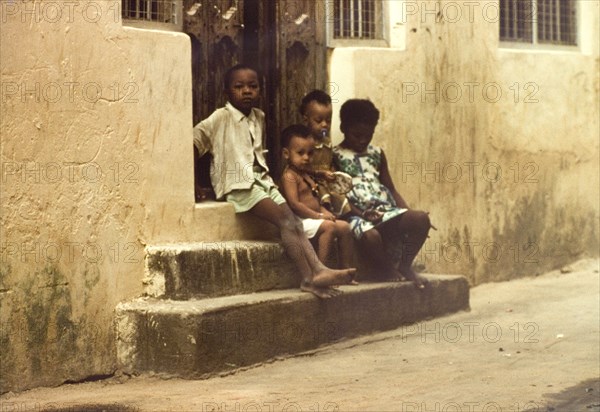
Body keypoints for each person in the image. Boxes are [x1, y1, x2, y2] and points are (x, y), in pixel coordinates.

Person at [193, 64, 355, 298]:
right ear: (227, 92)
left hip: (261, 181)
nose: (246, 91)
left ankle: (317, 272)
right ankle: (309, 277)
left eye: (253, 86)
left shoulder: (259, 117)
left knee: (295, 222)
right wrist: (196, 184)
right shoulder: (221, 117)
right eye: (239, 87)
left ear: (260, 90)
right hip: (239, 184)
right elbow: (193, 141)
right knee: (287, 222)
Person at [332, 99, 432, 289]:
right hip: (355, 214)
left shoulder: (377, 153)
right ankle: (386, 268)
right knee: (371, 236)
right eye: (357, 135)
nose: (363, 140)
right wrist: (361, 214)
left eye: (368, 135)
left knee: (420, 219)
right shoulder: (335, 155)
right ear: (343, 127)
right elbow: (338, 195)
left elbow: (391, 188)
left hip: (384, 211)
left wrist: (407, 211)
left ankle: (405, 266)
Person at [279, 124, 358, 284]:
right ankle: (320, 271)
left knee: (344, 227)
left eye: (310, 153)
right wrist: (320, 216)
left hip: (314, 219)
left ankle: (345, 269)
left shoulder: (305, 173)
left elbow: (314, 196)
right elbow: (295, 204)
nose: (307, 158)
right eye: (300, 153)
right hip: (299, 222)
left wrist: (325, 212)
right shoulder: (289, 176)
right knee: (329, 227)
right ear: (286, 154)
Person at [299, 90, 350, 217]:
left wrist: (333, 172)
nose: (324, 125)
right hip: (312, 183)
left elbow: (329, 161)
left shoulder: (327, 142)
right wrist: (320, 173)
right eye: (319, 120)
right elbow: (300, 168)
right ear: (306, 119)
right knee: (323, 200)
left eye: (328, 120)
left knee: (341, 200)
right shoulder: (305, 143)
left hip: (327, 182)